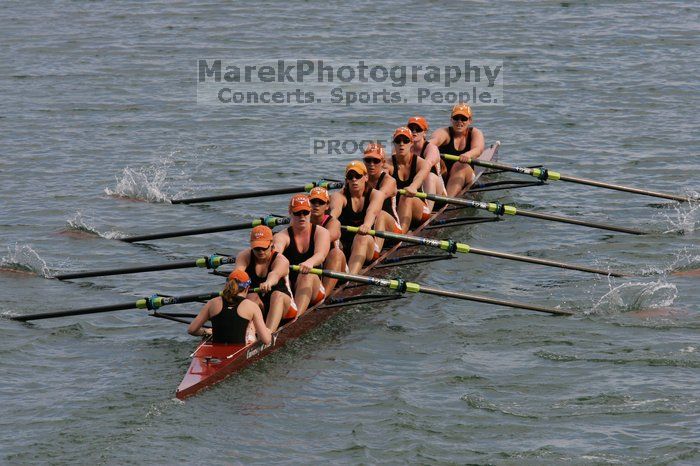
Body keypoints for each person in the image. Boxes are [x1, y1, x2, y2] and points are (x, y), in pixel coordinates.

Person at [329, 160, 395, 274]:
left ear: (365, 177)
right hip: (347, 244)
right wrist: (330, 222)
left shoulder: (376, 194)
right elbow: (335, 211)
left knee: (361, 237)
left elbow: (372, 212)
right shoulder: (338, 196)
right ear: (346, 180)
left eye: (358, 176)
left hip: (368, 244)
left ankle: (350, 278)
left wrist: (367, 225)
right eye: (350, 176)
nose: (354, 180)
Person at [273, 194, 331, 315]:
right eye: (297, 213)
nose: (302, 217)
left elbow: (321, 255)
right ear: (290, 212)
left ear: (310, 212)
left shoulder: (321, 232)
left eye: (305, 212)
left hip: (315, 288)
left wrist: (309, 262)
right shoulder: (281, 236)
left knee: (306, 275)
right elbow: (276, 252)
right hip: (291, 285)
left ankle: (296, 320)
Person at [233, 225, 295, 332]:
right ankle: (248, 333)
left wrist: (268, 283)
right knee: (251, 296)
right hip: (259, 307)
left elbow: (274, 275)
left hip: (285, 308)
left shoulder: (281, 260)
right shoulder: (244, 256)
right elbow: (238, 274)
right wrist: (233, 286)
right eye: (257, 248)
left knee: (277, 295)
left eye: (264, 247)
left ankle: (267, 335)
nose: (261, 251)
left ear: (271, 244)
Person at [187, 269, 272, 345]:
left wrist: (205, 331)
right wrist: (268, 332)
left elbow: (192, 330)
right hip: (240, 352)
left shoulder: (212, 303)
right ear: (247, 288)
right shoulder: (251, 306)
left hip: (216, 351)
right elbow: (266, 341)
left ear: (227, 285)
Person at [429, 102, 485, 197]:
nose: (459, 122)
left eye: (463, 119)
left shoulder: (475, 133)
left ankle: (447, 202)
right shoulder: (444, 132)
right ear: (451, 119)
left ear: (470, 120)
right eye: (456, 118)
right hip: (445, 175)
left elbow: (478, 149)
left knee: (459, 165)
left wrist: (468, 155)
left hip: (465, 174)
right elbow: (434, 141)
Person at [387, 126, 433, 232]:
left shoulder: (421, 163)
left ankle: (401, 234)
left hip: (421, 211)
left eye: (406, 141)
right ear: (394, 144)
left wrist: (413, 187)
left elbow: (419, 178)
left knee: (406, 197)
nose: (401, 144)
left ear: (411, 143)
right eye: (398, 141)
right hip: (397, 208)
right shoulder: (387, 165)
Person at [308, 186, 346, 296]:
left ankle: (324, 297)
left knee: (336, 253)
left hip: (335, 266)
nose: (316, 205)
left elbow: (327, 238)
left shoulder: (333, 223)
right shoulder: (301, 220)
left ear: (327, 206)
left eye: (320, 202)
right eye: (313, 201)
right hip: (313, 266)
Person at [407, 116, 447, 211]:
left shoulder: (431, 148)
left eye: (418, 129)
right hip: (414, 192)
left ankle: (428, 210)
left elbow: (427, 165)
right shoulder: (402, 147)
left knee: (429, 176)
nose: (414, 132)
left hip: (438, 196)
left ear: (424, 133)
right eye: (411, 129)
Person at [363, 143, 403, 234]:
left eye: (376, 161)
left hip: (393, 228)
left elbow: (377, 199)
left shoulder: (389, 181)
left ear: (383, 162)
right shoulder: (358, 179)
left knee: (380, 214)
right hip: (369, 223)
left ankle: (375, 247)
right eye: (368, 160)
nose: (371, 164)